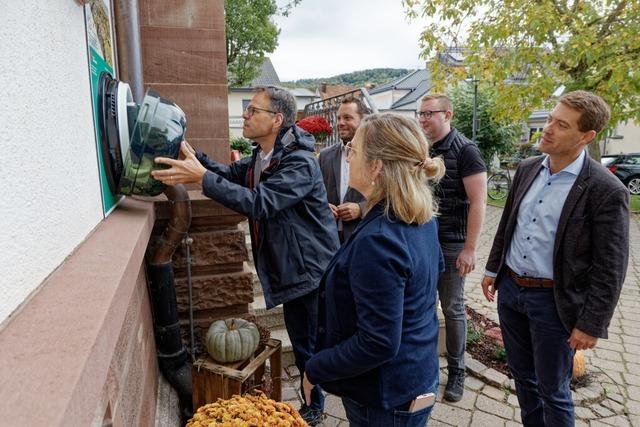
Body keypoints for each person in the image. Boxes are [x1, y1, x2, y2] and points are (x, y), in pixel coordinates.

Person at [152, 86, 339, 425]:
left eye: (254, 110)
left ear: (277, 120)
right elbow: (235, 175)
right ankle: (318, 394)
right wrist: (196, 160)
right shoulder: (264, 155)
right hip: (295, 267)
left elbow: (260, 204)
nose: (245, 115)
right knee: (305, 341)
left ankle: (315, 407)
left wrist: (203, 178)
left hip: (311, 270)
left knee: (309, 344)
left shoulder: (298, 162)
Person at [481, 90, 629, 426]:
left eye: (561, 125)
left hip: (554, 303)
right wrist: (493, 269)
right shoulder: (528, 167)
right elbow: (508, 223)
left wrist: (591, 323)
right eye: (550, 118)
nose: (547, 128)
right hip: (512, 292)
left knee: (553, 390)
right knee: (523, 379)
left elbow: (611, 266)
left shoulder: (605, 190)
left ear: (586, 136)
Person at [302, 113, 446, 427]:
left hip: (387, 397)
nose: (348, 157)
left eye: (353, 150)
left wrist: (316, 368)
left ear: (376, 166)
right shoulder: (419, 218)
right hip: (413, 377)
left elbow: (378, 342)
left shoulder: (380, 239)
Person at [418, 93, 487, 401]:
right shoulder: (422, 147)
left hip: (451, 244)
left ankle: (457, 372)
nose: (422, 119)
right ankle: (425, 369)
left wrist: (470, 249)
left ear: (447, 114)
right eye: (419, 114)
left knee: (453, 308)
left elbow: (479, 202)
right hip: (422, 241)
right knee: (422, 308)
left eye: (428, 114)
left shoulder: (466, 151)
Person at [318, 97, 370, 242]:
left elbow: (390, 195)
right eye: (339, 118)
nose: (340, 123)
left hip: (363, 236)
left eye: (347, 118)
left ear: (363, 120)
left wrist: (361, 209)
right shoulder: (325, 156)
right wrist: (323, 206)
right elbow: (315, 193)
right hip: (330, 237)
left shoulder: (376, 156)